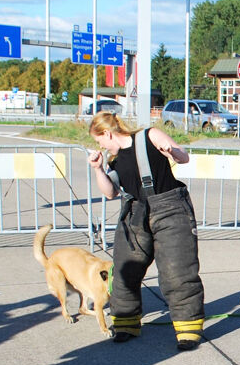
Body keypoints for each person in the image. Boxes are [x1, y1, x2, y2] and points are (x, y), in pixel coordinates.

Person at [87, 112, 205, 351]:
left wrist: (171, 151)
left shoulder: (149, 136)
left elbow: (184, 158)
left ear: (107, 133)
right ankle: (126, 323)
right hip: (136, 212)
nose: (99, 145)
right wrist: (98, 169)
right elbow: (110, 192)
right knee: (124, 270)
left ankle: (188, 329)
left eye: (99, 140)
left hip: (170, 208)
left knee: (177, 269)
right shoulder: (114, 160)